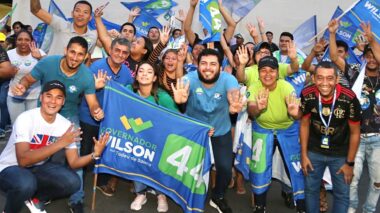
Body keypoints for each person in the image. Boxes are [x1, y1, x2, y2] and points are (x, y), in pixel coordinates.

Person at [11, 36, 104, 213]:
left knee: (72, 158)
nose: (75, 58)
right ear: (65, 50)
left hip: (69, 117)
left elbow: (92, 103)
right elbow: (28, 80)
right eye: (72, 52)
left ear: (85, 57)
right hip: (43, 114)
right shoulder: (47, 63)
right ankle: (36, 191)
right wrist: (21, 86)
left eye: (80, 55)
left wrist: (97, 111)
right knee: (38, 156)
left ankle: (76, 199)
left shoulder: (86, 76)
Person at [0, 80, 109, 213]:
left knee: (73, 182)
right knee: (25, 184)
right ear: (41, 98)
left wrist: (95, 154)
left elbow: (74, 163)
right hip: (10, 167)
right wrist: (60, 143)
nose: (53, 101)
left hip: (38, 167)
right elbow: (23, 160)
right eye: (49, 96)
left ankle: (35, 198)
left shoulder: (65, 125)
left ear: (63, 102)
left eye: (59, 98)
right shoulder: (26, 118)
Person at [172, 48, 244, 213]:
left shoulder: (228, 79)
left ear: (220, 66)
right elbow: (181, 94)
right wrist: (180, 103)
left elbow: (233, 93)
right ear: (197, 65)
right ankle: (187, 195)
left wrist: (234, 106)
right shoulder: (188, 79)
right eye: (203, 63)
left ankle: (218, 196)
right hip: (195, 132)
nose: (208, 68)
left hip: (220, 130)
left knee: (225, 168)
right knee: (189, 167)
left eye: (213, 64)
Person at [300, 61, 361, 213]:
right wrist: (304, 155)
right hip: (314, 151)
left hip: (340, 154)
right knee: (311, 191)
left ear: (336, 79)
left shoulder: (349, 98)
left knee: (341, 195)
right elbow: (304, 124)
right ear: (313, 79)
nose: (324, 83)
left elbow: (355, 132)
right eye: (320, 78)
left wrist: (350, 163)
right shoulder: (307, 95)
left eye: (329, 78)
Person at [247, 56, 305, 213]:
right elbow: (251, 111)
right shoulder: (253, 87)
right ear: (258, 73)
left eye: (271, 71)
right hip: (263, 128)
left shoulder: (286, 87)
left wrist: (295, 113)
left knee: (295, 167)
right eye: (263, 70)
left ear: (277, 73)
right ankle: (260, 206)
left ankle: (301, 206)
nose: (267, 74)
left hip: (287, 129)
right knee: (259, 167)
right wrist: (258, 108)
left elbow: (298, 114)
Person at [128, 62, 179, 212]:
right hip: (137, 138)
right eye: (141, 71)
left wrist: (201, 129)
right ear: (136, 75)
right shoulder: (128, 91)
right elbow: (114, 98)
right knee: (137, 163)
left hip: (158, 140)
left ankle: (161, 195)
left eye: (149, 72)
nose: (144, 74)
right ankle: (140, 193)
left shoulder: (162, 97)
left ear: (155, 77)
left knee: (158, 166)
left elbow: (179, 118)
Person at [348, 22, 380, 213]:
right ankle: (351, 209)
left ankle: (369, 210)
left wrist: (371, 38)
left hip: (378, 139)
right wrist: (333, 35)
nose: (372, 59)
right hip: (356, 137)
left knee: (377, 182)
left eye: (374, 56)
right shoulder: (355, 75)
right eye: (367, 56)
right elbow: (335, 57)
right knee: (352, 179)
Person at [30, 0, 97, 55]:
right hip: (52, 69)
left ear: (90, 17)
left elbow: (88, 56)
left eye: (85, 12)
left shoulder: (92, 37)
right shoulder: (61, 25)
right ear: (72, 13)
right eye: (77, 10)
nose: (81, 14)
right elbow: (36, 10)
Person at [7, 30, 46, 124]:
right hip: (14, 95)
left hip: (35, 97)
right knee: (17, 125)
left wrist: (40, 57)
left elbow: (50, 67)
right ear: (16, 41)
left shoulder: (39, 52)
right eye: (20, 39)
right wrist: (9, 71)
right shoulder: (9, 54)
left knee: (33, 126)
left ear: (32, 41)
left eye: (26, 39)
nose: (23, 42)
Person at [0, 44, 17, 138]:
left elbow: (7, 71)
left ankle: (2, 127)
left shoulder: (1, 50)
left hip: (4, 81)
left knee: (2, 101)